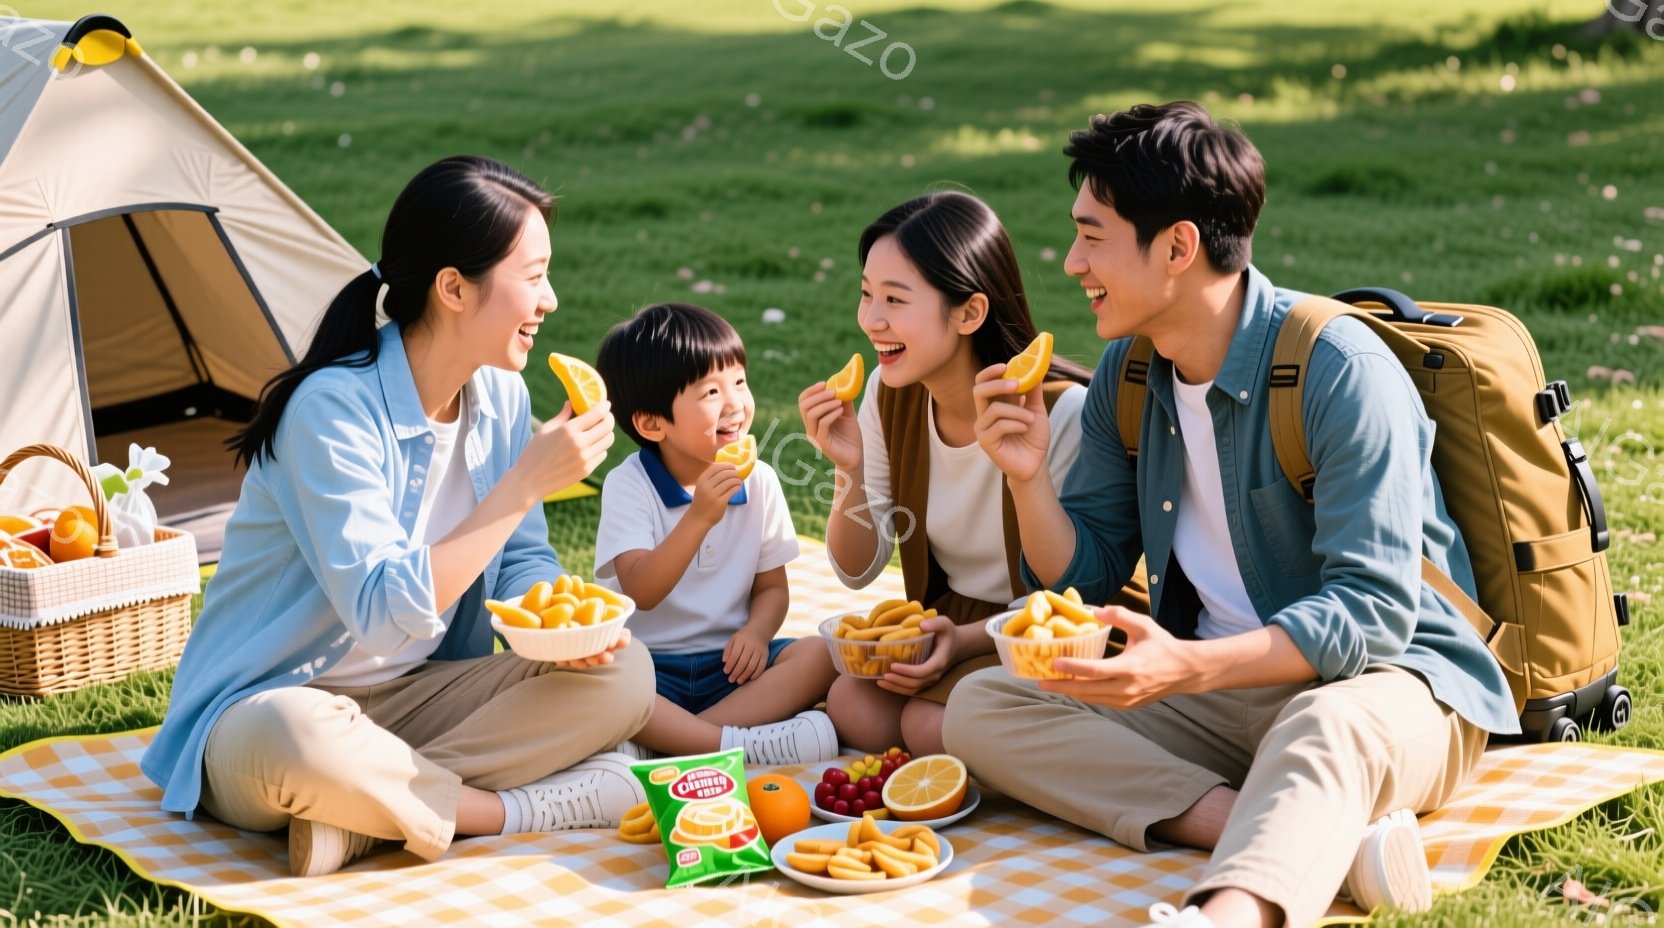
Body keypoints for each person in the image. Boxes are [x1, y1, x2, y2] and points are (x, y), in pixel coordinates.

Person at [943, 102, 1520, 928]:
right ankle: (1308, 834)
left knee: (1320, 725)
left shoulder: (1340, 369)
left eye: (1092, 236)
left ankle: (1229, 912)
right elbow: (1082, 579)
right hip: (1218, 690)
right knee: (986, 705)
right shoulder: (1128, 375)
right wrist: (1027, 479)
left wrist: (1186, 667)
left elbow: (1373, 614)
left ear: (1178, 248)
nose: (1072, 263)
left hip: (1389, 686)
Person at [142, 156, 655, 879]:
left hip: (420, 697)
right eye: (534, 276)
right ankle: (512, 810)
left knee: (627, 672)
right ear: (454, 288)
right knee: (301, 741)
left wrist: (561, 637)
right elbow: (383, 613)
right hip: (277, 703)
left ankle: (356, 818)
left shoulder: (501, 398)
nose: (551, 300)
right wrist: (522, 485)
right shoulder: (331, 410)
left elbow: (521, 560)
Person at [797, 191, 1146, 756]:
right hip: (956, 619)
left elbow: (1072, 593)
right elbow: (859, 570)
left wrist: (960, 644)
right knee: (852, 704)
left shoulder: (1060, 414)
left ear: (969, 312)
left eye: (894, 299)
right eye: (866, 294)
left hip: (1057, 629)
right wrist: (849, 469)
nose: (871, 320)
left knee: (924, 725)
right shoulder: (890, 394)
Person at [592, 302, 840, 765]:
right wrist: (699, 517)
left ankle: (673, 742)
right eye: (710, 391)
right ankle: (733, 746)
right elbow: (642, 590)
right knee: (598, 676)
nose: (735, 404)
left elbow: (772, 589)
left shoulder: (760, 481)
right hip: (648, 668)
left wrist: (757, 633)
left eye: (739, 382)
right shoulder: (628, 485)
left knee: (821, 655)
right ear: (652, 423)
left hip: (732, 668)